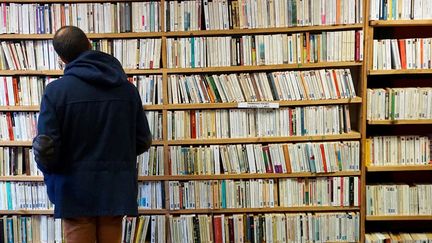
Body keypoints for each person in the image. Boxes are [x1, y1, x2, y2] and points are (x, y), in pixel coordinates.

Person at [32, 26, 152, 243]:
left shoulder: (55, 92)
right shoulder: (127, 90)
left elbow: (46, 148)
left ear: (61, 59)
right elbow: (143, 141)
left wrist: (52, 175)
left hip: (72, 190)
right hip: (115, 188)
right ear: (89, 45)